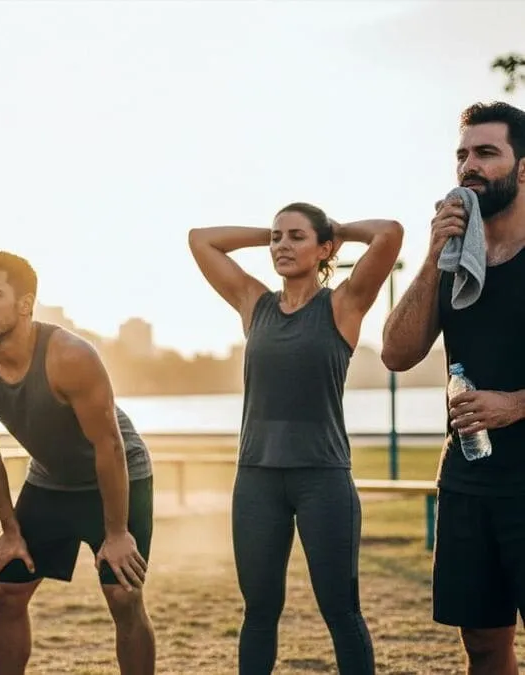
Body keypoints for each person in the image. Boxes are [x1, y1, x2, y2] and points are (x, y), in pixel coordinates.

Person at [189, 205, 403, 674]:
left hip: (322, 479)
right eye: (276, 237)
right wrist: (266, 234)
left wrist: (339, 230)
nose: (282, 245)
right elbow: (200, 238)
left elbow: (389, 233)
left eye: (296, 237)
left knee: (341, 611)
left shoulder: (343, 305)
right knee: (259, 612)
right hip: (256, 480)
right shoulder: (254, 303)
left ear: (325, 249)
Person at [0, 250, 156, 675]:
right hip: (50, 480)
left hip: (118, 473)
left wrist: (116, 533)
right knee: (6, 590)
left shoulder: (70, 355)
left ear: (25, 304)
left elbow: (109, 446)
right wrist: (9, 530)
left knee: (123, 596)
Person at [382, 101, 525, 675]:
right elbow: (396, 352)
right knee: (484, 645)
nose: (469, 166)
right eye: (462, 154)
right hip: (468, 479)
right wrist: (433, 254)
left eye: (486, 153)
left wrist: (514, 404)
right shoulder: (458, 262)